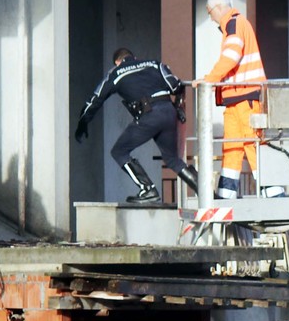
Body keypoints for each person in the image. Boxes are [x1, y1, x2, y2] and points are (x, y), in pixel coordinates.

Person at [75, 48, 198, 204]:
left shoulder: (116, 73)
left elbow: (95, 99)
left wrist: (83, 122)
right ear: (135, 57)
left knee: (119, 151)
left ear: (117, 62)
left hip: (149, 115)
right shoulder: (154, 64)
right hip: (168, 112)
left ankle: (148, 190)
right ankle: (204, 189)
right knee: (172, 159)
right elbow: (175, 85)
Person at [194, 0, 279, 199]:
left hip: (246, 97)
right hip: (237, 99)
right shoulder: (235, 24)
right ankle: (226, 194)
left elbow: (231, 56)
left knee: (252, 143)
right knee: (232, 146)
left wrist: (209, 79)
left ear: (219, 8)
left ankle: (274, 193)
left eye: (210, 12)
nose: (211, 17)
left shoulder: (233, 23)